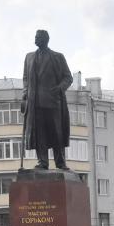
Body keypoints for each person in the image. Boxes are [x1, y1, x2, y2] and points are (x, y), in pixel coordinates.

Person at [21, 29, 73, 170]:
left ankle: (60, 163)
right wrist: (25, 93)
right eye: (35, 37)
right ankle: (42, 162)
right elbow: (25, 78)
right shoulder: (29, 57)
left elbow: (68, 77)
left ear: (45, 39)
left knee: (57, 133)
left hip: (53, 102)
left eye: (37, 37)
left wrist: (59, 88)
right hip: (35, 103)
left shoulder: (57, 57)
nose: (35, 40)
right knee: (40, 135)